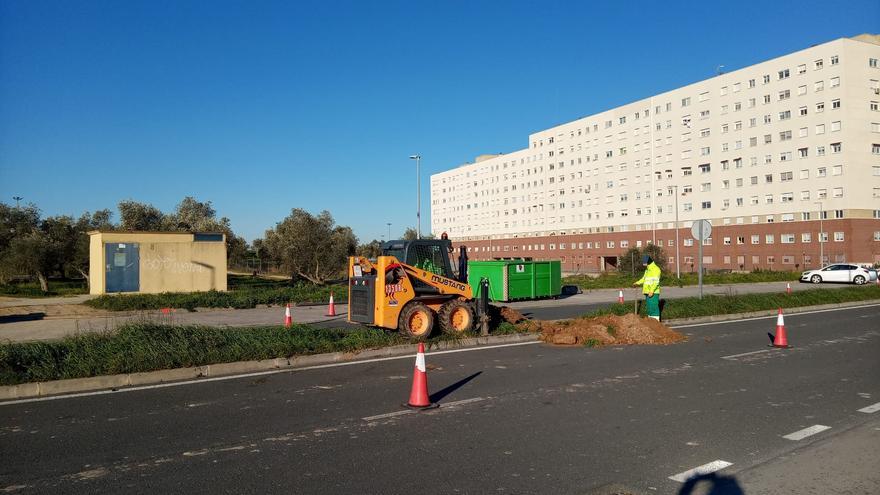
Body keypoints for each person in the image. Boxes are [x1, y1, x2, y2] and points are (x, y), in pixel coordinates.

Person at [633, 255, 661, 320]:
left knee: (653, 308)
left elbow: (656, 282)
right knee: (649, 308)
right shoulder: (647, 270)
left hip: (653, 292)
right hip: (647, 292)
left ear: (648, 262)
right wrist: (637, 283)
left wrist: (651, 291)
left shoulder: (656, 269)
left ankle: (656, 323)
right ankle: (651, 322)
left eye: (644, 263)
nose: (644, 265)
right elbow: (644, 279)